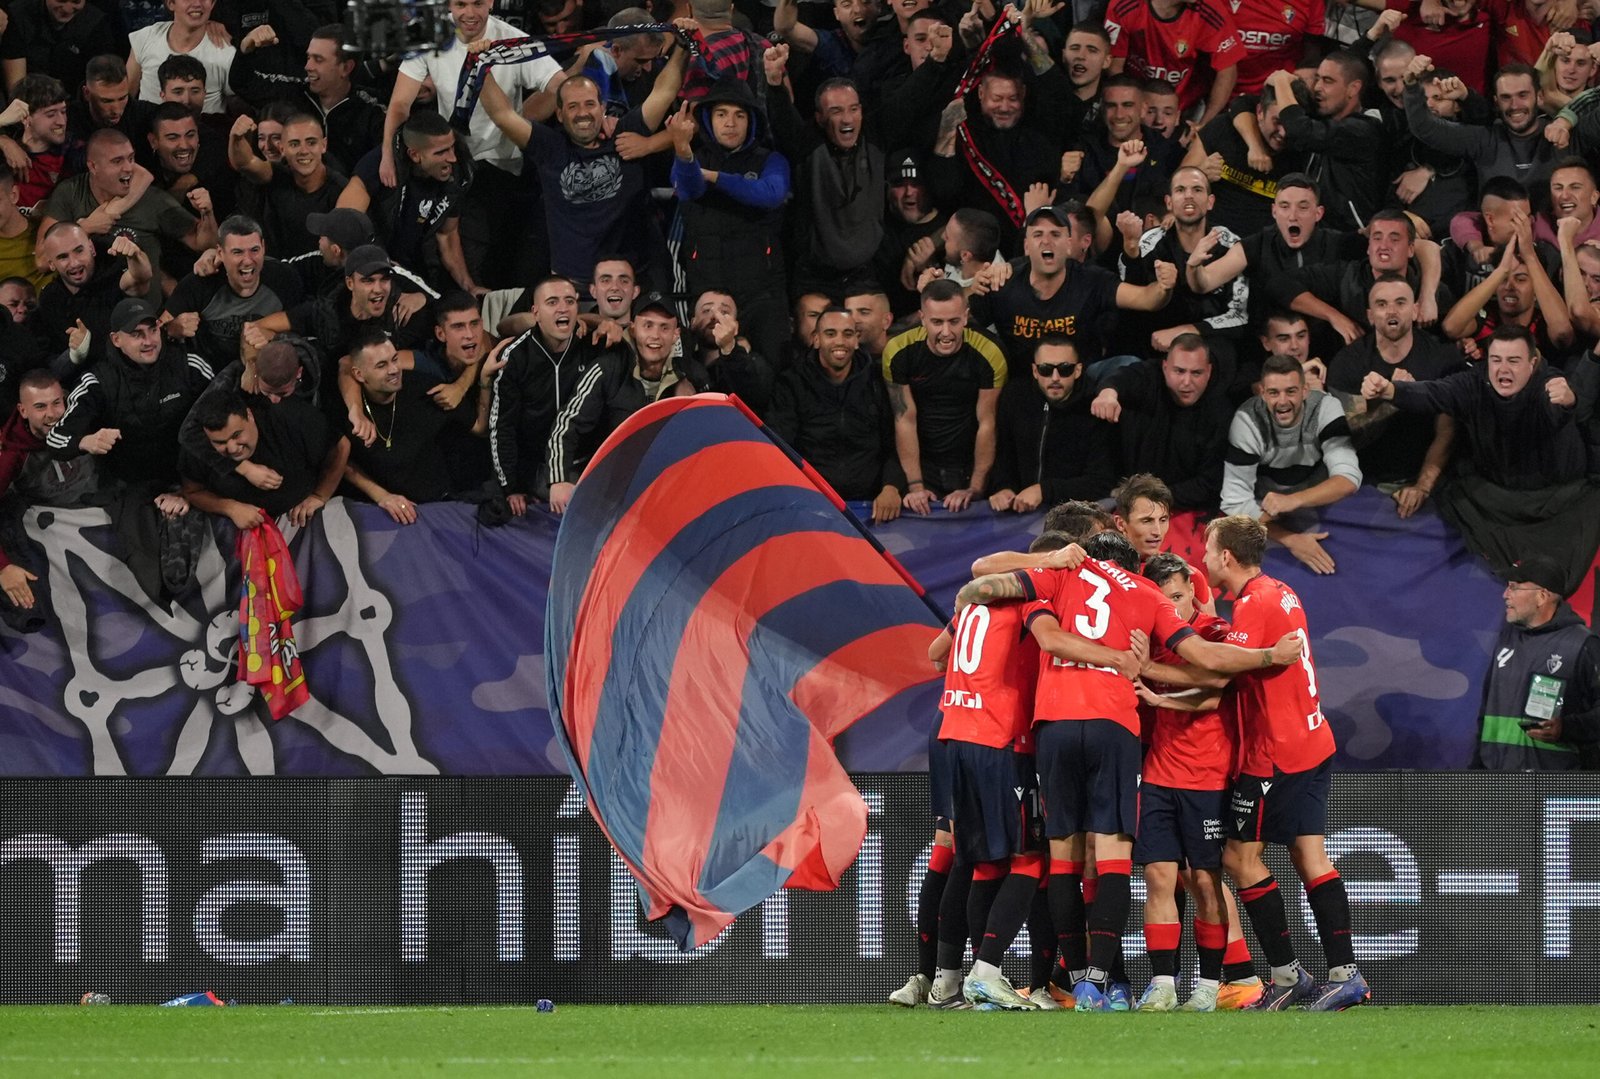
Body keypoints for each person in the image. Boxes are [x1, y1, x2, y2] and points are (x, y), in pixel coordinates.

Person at [954, 528, 1303, 1010]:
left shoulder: (1064, 573)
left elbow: (982, 579)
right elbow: (1203, 658)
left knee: (1063, 858)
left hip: (1051, 722)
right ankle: (1103, 984)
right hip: (1114, 725)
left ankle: (1068, 978)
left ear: (1087, 555)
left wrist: (1047, 562)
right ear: (1131, 564)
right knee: (1114, 857)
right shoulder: (1145, 593)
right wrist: (1269, 655)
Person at [1204, 513, 1370, 1012]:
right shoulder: (1282, 591)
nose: (1204, 560)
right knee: (1308, 856)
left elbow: (1219, 669)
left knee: (1239, 858)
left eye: (1208, 552)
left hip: (1276, 752)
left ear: (1227, 557)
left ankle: (1286, 975)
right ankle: (1345, 976)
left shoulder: (1254, 603)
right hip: (1313, 738)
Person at [1362, 324, 1599, 592]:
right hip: (1494, 497)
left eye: (1513, 361)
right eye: (1496, 360)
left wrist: (1568, 400)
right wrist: (1391, 391)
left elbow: (1558, 410)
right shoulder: (1473, 384)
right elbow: (1434, 393)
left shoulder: (1549, 385)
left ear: (1533, 363)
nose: (1503, 369)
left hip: (1555, 500)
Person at [477, 39, 687, 284]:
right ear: (560, 113)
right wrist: (482, 66)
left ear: (603, 107)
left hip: (631, 284)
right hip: (572, 289)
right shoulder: (550, 146)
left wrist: (682, 45)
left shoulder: (627, 133)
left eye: (589, 104)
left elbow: (664, 92)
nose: (582, 113)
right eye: (573, 106)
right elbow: (503, 116)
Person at [1128, 552, 1236, 1012]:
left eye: (1177, 596)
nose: (1171, 607)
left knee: (1206, 882)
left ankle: (1209, 986)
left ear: (1193, 590)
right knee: (1158, 876)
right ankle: (1163, 984)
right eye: (1162, 600)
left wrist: (1153, 685)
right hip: (1158, 773)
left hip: (1208, 775)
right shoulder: (1150, 636)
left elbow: (1213, 689)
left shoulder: (1215, 634)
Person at [667, 78, 791, 374]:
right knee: (705, 374)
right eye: (721, 114)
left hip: (762, 294)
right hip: (709, 295)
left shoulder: (770, 159)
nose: (730, 123)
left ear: (752, 121)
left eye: (740, 115)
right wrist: (683, 149)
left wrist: (714, 176)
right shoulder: (692, 159)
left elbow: (770, 194)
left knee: (772, 371)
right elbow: (687, 187)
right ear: (709, 120)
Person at [545, 290, 706, 513]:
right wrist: (558, 479)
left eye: (664, 327)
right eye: (647, 325)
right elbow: (566, 423)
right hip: (608, 481)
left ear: (676, 334)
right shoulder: (608, 367)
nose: (656, 336)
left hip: (665, 483)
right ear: (632, 328)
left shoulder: (692, 376)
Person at [44, 296, 213, 497]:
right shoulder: (97, 381)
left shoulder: (189, 365)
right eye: (136, 334)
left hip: (188, 482)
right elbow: (55, 439)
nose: (149, 341)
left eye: (153, 330)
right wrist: (86, 441)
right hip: (125, 488)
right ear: (116, 339)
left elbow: (222, 415)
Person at [1222, 354, 1362, 575]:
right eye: (1274, 393)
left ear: (1305, 391)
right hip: (1265, 507)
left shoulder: (1325, 407)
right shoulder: (1247, 421)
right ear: (1262, 393)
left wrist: (1293, 500)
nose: (1283, 401)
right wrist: (1291, 539)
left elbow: (1348, 479)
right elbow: (1234, 504)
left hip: (1316, 500)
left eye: (1291, 391)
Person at [1325, 275, 1461, 499]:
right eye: (1381, 304)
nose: (1391, 311)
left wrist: (1422, 487)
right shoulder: (1348, 361)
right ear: (1370, 315)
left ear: (1415, 310)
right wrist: (1393, 399)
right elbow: (1346, 435)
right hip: (1363, 480)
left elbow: (1447, 433)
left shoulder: (1443, 358)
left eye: (1400, 302)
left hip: (1427, 479)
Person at [40, 127, 217, 296]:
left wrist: (207, 213)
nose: (128, 168)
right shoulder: (70, 193)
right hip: (94, 312)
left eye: (131, 159)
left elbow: (202, 243)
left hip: (145, 315)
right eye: (117, 161)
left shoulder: (152, 199)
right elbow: (42, 259)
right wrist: (84, 229)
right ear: (93, 167)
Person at [767, 305, 903, 522]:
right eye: (831, 334)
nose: (840, 341)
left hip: (872, 506)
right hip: (811, 507)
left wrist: (892, 487)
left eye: (848, 334)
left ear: (857, 340)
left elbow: (895, 441)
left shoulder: (877, 380)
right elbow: (781, 448)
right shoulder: (791, 383)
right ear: (816, 339)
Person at [884, 280, 1006, 514]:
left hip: (970, 463)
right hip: (923, 462)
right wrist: (915, 485)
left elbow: (987, 423)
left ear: (966, 316)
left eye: (954, 321)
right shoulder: (898, 351)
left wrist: (975, 488)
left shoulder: (989, 353)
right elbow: (904, 419)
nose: (946, 332)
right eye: (937, 322)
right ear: (922, 318)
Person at [488, 275, 606, 516]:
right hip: (537, 467)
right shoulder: (515, 357)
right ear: (536, 312)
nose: (563, 308)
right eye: (552, 302)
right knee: (583, 505)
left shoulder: (592, 345)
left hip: (586, 461)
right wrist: (511, 487)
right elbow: (502, 427)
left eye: (569, 301)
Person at [340, 329, 483, 520]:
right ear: (359, 374)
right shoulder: (349, 410)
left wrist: (483, 381)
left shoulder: (426, 389)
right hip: (379, 511)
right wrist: (381, 496)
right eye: (381, 365)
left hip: (437, 505)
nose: (394, 370)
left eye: (395, 359)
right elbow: (340, 461)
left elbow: (480, 428)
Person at [1476, 555, 1600, 770]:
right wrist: (1476, 769)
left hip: (1558, 788)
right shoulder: (1506, 641)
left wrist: (1567, 729)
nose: (1505, 595)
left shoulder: (1583, 645)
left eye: (1514, 588)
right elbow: (1486, 713)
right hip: (1499, 786)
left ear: (1542, 596)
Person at [340, 110, 476, 295]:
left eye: (452, 147)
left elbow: (448, 235)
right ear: (414, 155)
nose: (452, 158)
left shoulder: (456, 172)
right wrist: (380, 264)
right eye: (441, 152)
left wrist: (469, 286)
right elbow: (344, 223)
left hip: (418, 268)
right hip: (374, 270)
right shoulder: (379, 165)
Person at [1090, 335, 1233, 511]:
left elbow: (1208, 483)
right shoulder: (1149, 377)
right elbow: (1122, 378)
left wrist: (1151, 499)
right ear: (1165, 367)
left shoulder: (1220, 412)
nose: (1187, 382)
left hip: (1182, 507)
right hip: (1124, 497)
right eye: (1179, 371)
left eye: (1196, 373)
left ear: (1209, 372)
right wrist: (1108, 393)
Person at [179, 387, 346, 529]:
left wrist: (320, 495)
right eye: (220, 442)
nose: (232, 448)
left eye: (237, 435)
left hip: (304, 518)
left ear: (249, 416)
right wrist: (231, 508)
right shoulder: (198, 447)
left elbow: (341, 446)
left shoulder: (289, 417)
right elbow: (193, 491)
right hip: (239, 528)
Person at [987, 335, 1115, 513]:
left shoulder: (1094, 407)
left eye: (1065, 369)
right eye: (1046, 369)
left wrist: (1044, 491)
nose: (1055, 377)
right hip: (1019, 515)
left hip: (1073, 516)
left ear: (1078, 370)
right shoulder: (1015, 397)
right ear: (1034, 371)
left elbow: (1101, 482)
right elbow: (1004, 455)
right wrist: (1002, 487)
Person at [162, 213, 303, 362]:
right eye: (237, 252)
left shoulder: (285, 278)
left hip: (268, 365)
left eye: (254, 250)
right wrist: (172, 329)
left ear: (263, 247)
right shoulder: (197, 284)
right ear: (220, 253)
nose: (248, 260)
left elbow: (302, 328)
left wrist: (275, 337)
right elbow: (159, 329)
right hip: (210, 372)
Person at [226, 110, 346, 259]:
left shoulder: (341, 191)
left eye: (311, 142)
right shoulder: (276, 175)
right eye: (294, 144)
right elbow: (245, 163)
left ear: (324, 145)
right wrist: (235, 138)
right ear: (282, 149)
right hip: (278, 273)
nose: (303, 151)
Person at [1106, 0, 1242, 128]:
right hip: (1136, 105)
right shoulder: (1124, 5)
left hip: (1186, 108)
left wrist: (1203, 126)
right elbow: (1115, 68)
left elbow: (1228, 70)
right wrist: (1130, 110)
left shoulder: (1208, 8)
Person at [127, 0, 235, 114]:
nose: (197, 4)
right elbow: (126, 96)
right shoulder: (145, 38)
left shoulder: (226, 54)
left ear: (212, 4)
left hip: (205, 130)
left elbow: (237, 107)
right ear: (170, 4)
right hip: (146, 129)